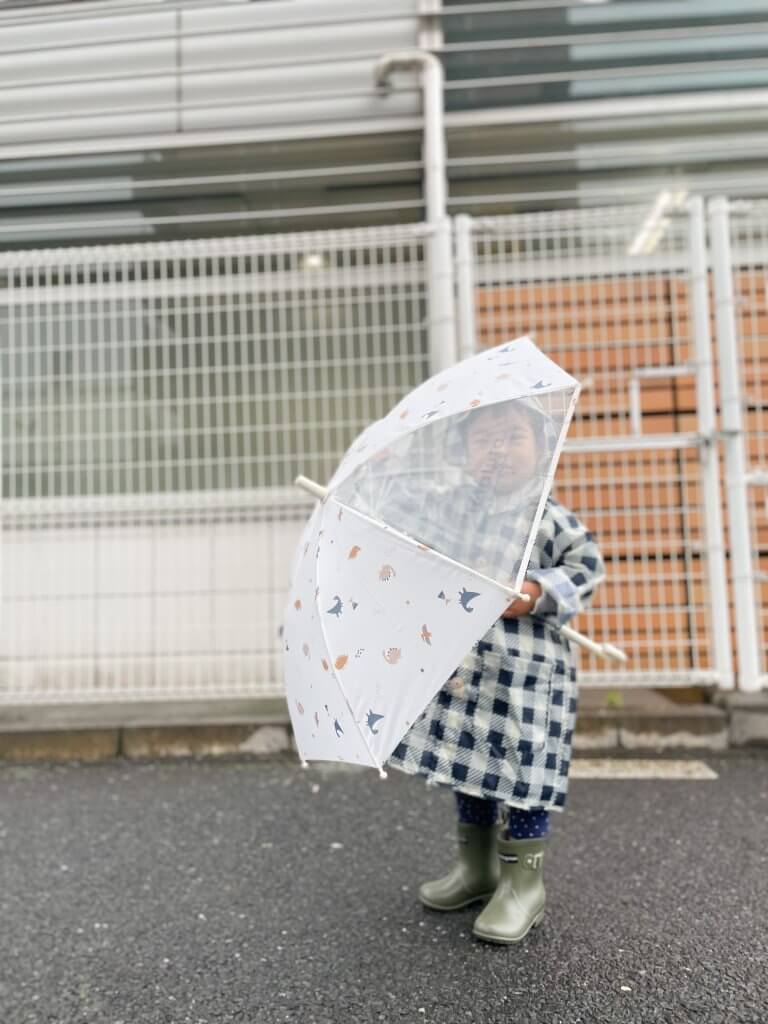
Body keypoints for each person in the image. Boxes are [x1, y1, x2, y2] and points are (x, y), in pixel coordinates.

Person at [378, 400, 606, 945]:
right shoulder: (457, 508)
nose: (498, 450)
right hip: (469, 670)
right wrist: (388, 477)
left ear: (540, 448)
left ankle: (523, 885)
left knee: (524, 772)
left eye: (512, 437)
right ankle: (476, 868)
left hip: (528, 677)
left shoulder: (547, 516)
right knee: (471, 763)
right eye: (483, 440)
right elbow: (412, 519)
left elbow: (587, 566)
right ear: (464, 453)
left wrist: (536, 592)